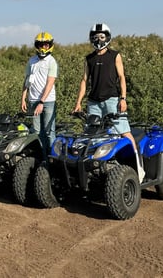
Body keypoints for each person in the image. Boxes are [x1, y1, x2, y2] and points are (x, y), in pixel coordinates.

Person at [73, 23, 145, 183]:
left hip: (112, 100)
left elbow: (122, 77)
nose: (98, 39)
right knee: (93, 136)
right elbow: (84, 80)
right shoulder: (89, 58)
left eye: (101, 36)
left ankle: (138, 168)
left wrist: (123, 98)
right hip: (93, 102)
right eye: (95, 37)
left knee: (124, 132)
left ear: (107, 37)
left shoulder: (115, 55)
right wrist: (78, 102)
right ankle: (96, 172)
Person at [21, 31, 58, 157]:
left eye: (46, 45)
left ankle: (53, 157)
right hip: (33, 99)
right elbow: (26, 80)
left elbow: (50, 83)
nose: (43, 47)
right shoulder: (31, 61)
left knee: (49, 131)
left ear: (50, 45)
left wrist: (42, 102)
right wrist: (23, 98)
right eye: (41, 45)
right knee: (36, 131)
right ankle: (41, 157)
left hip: (48, 101)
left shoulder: (51, 61)